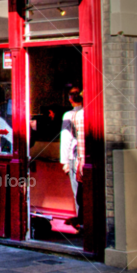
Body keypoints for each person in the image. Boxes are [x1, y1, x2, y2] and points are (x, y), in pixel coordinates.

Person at [60, 87, 86, 231]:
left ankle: (82, 223)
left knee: (78, 192)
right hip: (83, 156)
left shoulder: (70, 115)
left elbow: (66, 138)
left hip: (75, 157)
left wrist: (64, 161)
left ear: (70, 99)